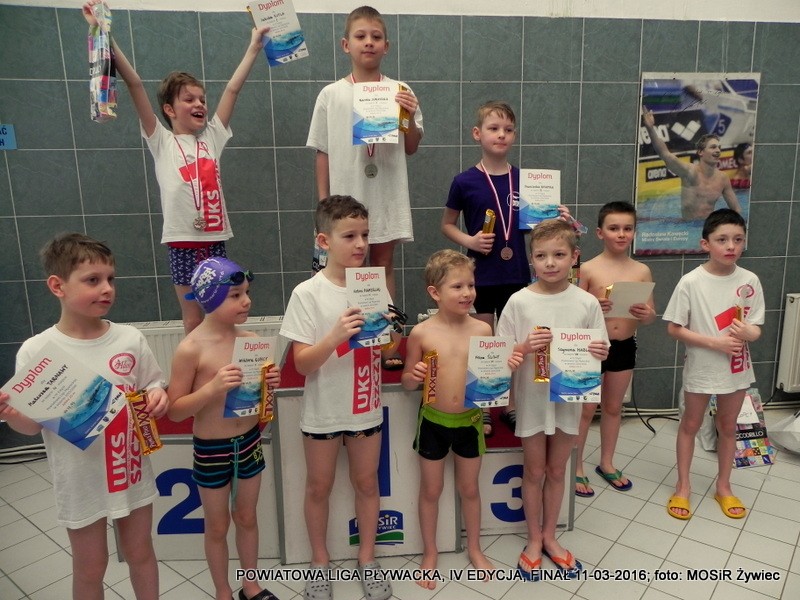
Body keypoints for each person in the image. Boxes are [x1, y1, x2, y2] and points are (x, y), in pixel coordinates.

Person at [82, 1, 270, 334]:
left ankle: (217, 363)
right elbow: (135, 84)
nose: (199, 104)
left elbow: (232, 89)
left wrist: (254, 47)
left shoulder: (212, 137)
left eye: (202, 99)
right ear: (169, 109)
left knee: (219, 313)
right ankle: (194, 366)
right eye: (189, 99)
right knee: (193, 318)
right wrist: (104, 33)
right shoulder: (161, 140)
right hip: (182, 242)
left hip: (214, 238)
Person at [0, 233, 168, 600]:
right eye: (93, 280)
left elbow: (153, 385)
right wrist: (12, 415)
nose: (107, 288)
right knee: (90, 567)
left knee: (141, 553)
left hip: (128, 469)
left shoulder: (130, 339)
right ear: (57, 286)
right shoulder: (36, 350)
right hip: (79, 479)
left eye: (111, 279)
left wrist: (158, 396)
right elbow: (30, 426)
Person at [279, 196, 402, 600]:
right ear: (324, 240)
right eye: (349, 236)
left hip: (364, 405)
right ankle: (319, 562)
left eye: (365, 234)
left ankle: (367, 559)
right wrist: (335, 335)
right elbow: (302, 364)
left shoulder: (374, 287)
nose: (361, 244)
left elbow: (385, 352)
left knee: (366, 484)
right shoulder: (307, 293)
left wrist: (390, 332)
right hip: (323, 411)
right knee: (319, 487)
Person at [441, 100, 572, 436]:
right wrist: (470, 241)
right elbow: (447, 225)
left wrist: (558, 217)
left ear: (514, 135)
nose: (501, 135)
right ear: (477, 133)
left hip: (517, 274)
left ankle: (511, 405)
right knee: (484, 341)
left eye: (508, 129)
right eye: (494, 128)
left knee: (516, 342)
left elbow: (542, 230)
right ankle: (484, 405)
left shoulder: (527, 181)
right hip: (480, 275)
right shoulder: (464, 181)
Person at [401, 249, 523, 589]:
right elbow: (408, 382)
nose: (467, 292)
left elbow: (492, 378)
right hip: (433, 421)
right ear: (435, 292)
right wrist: (414, 375)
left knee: (470, 489)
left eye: (470, 285)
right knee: (431, 490)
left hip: (470, 422)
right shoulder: (421, 333)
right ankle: (430, 553)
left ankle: (475, 548)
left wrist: (508, 368)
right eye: (457, 287)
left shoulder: (483, 329)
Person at [306, 5, 423, 353]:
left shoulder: (400, 90)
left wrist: (408, 115)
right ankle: (349, 339)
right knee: (346, 269)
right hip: (345, 198)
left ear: (386, 46)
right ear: (346, 45)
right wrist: (324, 203)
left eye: (376, 36)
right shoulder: (330, 94)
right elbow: (323, 151)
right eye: (360, 36)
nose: (368, 42)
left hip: (385, 191)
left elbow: (412, 146)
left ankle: (386, 342)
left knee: (383, 264)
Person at [496, 220, 608, 580]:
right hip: (532, 402)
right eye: (541, 255)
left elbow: (601, 348)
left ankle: (550, 536)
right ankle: (532, 539)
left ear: (574, 257)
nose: (550, 262)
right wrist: (523, 347)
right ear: (531, 259)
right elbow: (501, 355)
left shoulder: (586, 302)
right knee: (534, 471)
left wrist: (600, 351)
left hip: (568, 401)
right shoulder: (519, 301)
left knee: (558, 470)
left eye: (559, 255)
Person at [167, 257, 281, 600]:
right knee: (217, 526)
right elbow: (175, 411)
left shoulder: (251, 341)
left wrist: (268, 385)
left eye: (246, 293)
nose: (246, 301)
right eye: (235, 295)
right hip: (211, 449)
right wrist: (212, 389)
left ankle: (251, 584)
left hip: (249, 442)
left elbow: (258, 402)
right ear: (210, 297)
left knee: (247, 517)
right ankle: (222, 591)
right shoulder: (190, 349)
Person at [663, 208, 764, 520]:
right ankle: (683, 486)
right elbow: (674, 329)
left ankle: (723, 485)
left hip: (736, 367)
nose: (731, 246)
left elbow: (756, 328)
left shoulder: (750, 280)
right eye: (722, 239)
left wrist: (750, 333)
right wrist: (715, 343)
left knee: (728, 426)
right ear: (705, 244)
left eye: (738, 239)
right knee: (690, 424)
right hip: (702, 366)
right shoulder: (691, 282)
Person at [573, 202, 656, 497]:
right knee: (585, 410)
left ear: (634, 232)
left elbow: (650, 315)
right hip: (593, 346)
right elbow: (573, 314)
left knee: (612, 408)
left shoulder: (641, 270)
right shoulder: (588, 268)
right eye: (614, 228)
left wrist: (646, 314)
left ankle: (606, 462)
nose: (621, 234)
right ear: (600, 232)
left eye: (627, 228)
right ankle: (576, 466)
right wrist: (593, 306)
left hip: (624, 345)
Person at [642, 109, 741, 221]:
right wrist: (650, 128)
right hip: (688, 227)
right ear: (701, 152)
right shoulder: (689, 172)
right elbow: (665, 154)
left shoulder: (723, 178)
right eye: (713, 147)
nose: (718, 150)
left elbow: (736, 210)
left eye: (719, 148)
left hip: (708, 227)